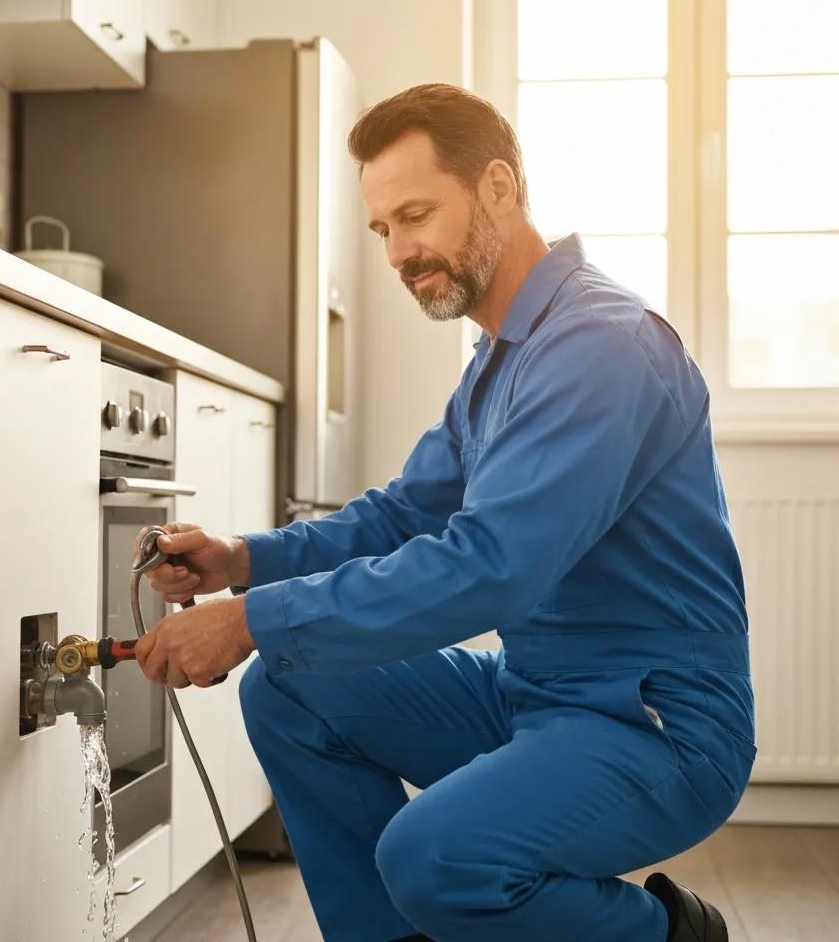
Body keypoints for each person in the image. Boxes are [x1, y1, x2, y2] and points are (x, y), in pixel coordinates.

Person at [133, 84, 754, 942]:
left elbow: (491, 565)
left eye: (415, 215)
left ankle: (670, 935)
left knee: (434, 856)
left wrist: (250, 619)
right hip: (533, 695)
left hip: (657, 724)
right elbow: (401, 517)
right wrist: (243, 559)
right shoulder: (501, 362)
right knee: (291, 686)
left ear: (498, 188)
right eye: (383, 228)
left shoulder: (601, 344)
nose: (397, 251)